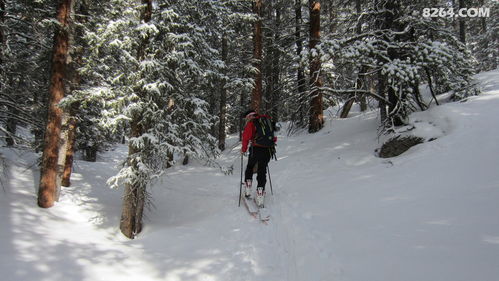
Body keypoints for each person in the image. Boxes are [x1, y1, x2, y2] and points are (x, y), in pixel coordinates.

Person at [241, 109, 276, 208]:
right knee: (262, 170)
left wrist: (243, 150)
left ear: (249, 116)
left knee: (250, 167)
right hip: (267, 150)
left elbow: (245, 138)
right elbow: (274, 137)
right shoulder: (266, 121)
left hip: (255, 149)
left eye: (246, 118)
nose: (246, 119)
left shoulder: (251, 123)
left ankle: (248, 189)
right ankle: (260, 195)